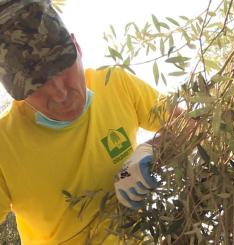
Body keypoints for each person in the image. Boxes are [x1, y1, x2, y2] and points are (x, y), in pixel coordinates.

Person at [0, 0, 166, 244]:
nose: (59, 93)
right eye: (35, 84)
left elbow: (197, 122)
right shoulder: (4, 144)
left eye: (61, 67)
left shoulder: (116, 84)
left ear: (77, 46)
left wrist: (153, 150)